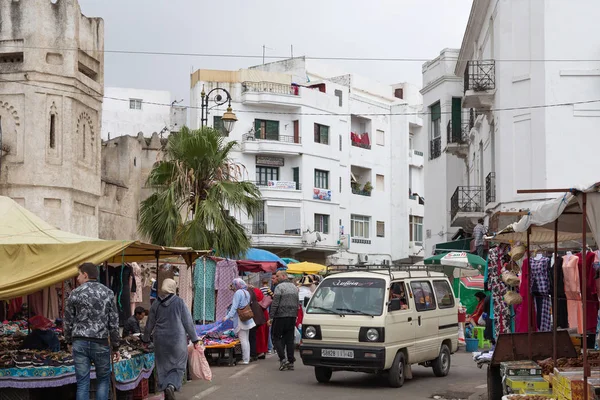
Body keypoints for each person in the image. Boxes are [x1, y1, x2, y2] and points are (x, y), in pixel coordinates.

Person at [64, 263, 120, 400]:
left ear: (85, 275)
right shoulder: (107, 293)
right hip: (100, 342)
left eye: (78, 274)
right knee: (103, 381)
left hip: (80, 342)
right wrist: (116, 345)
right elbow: (113, 322)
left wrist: (68, 341)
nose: (77, 278)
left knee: (83, 383)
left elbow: (67, 321)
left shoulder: (75, 293)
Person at [144, 278, 200, 400]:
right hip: (177, 340)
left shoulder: (156, 304)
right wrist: (195, 339)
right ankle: (171, 386)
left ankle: (166, 391)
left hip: (160, 340)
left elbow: (149, 324)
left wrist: (145, 339)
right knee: (178, 366)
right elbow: (188, 322)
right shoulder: (179, 302)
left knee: (162, 367)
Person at [270, 270, 299, 371]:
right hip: (292, 316)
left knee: (276, 337)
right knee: (289, 339)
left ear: (283, 276)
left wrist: (271, 317)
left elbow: (275, 303)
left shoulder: (279, 287)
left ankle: (283, 359)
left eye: (277, 276)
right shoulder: (294, 287)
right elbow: (297, 303)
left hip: (280, 316)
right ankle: (291, 361)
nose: (276, 278)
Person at [222, 278, 256, 365]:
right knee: (246, 339)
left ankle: (245, 359)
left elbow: (234, 307)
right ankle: (246, 358)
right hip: (247, 318)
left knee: (243, 340)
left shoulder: (238, 293)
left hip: (240, 318)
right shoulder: (246, 292)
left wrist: (227, 316)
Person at [248, 285, 268, 361]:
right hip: (262, 314)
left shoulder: (250, 292)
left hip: (255, 314)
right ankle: (262, 351)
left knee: (256, 335)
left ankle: (257, 352)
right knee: (262, 334)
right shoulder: (258, 291)